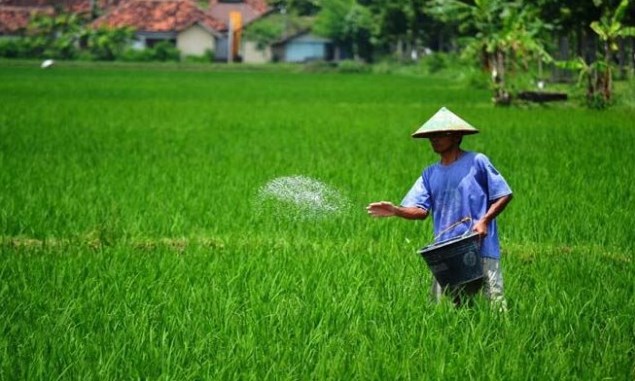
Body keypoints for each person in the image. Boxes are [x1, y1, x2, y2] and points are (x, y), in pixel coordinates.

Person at [367, 107, 513, 307]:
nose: (434, 139)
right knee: (446, 311)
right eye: (431, 136)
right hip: (446, 253)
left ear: (457, 136)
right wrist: (396, 210)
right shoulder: (429, 174)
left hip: (481, 247)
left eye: (440, 134)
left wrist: (484, 221)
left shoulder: (477, 162)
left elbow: (504, 194)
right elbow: (420, 211)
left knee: (493, 305)